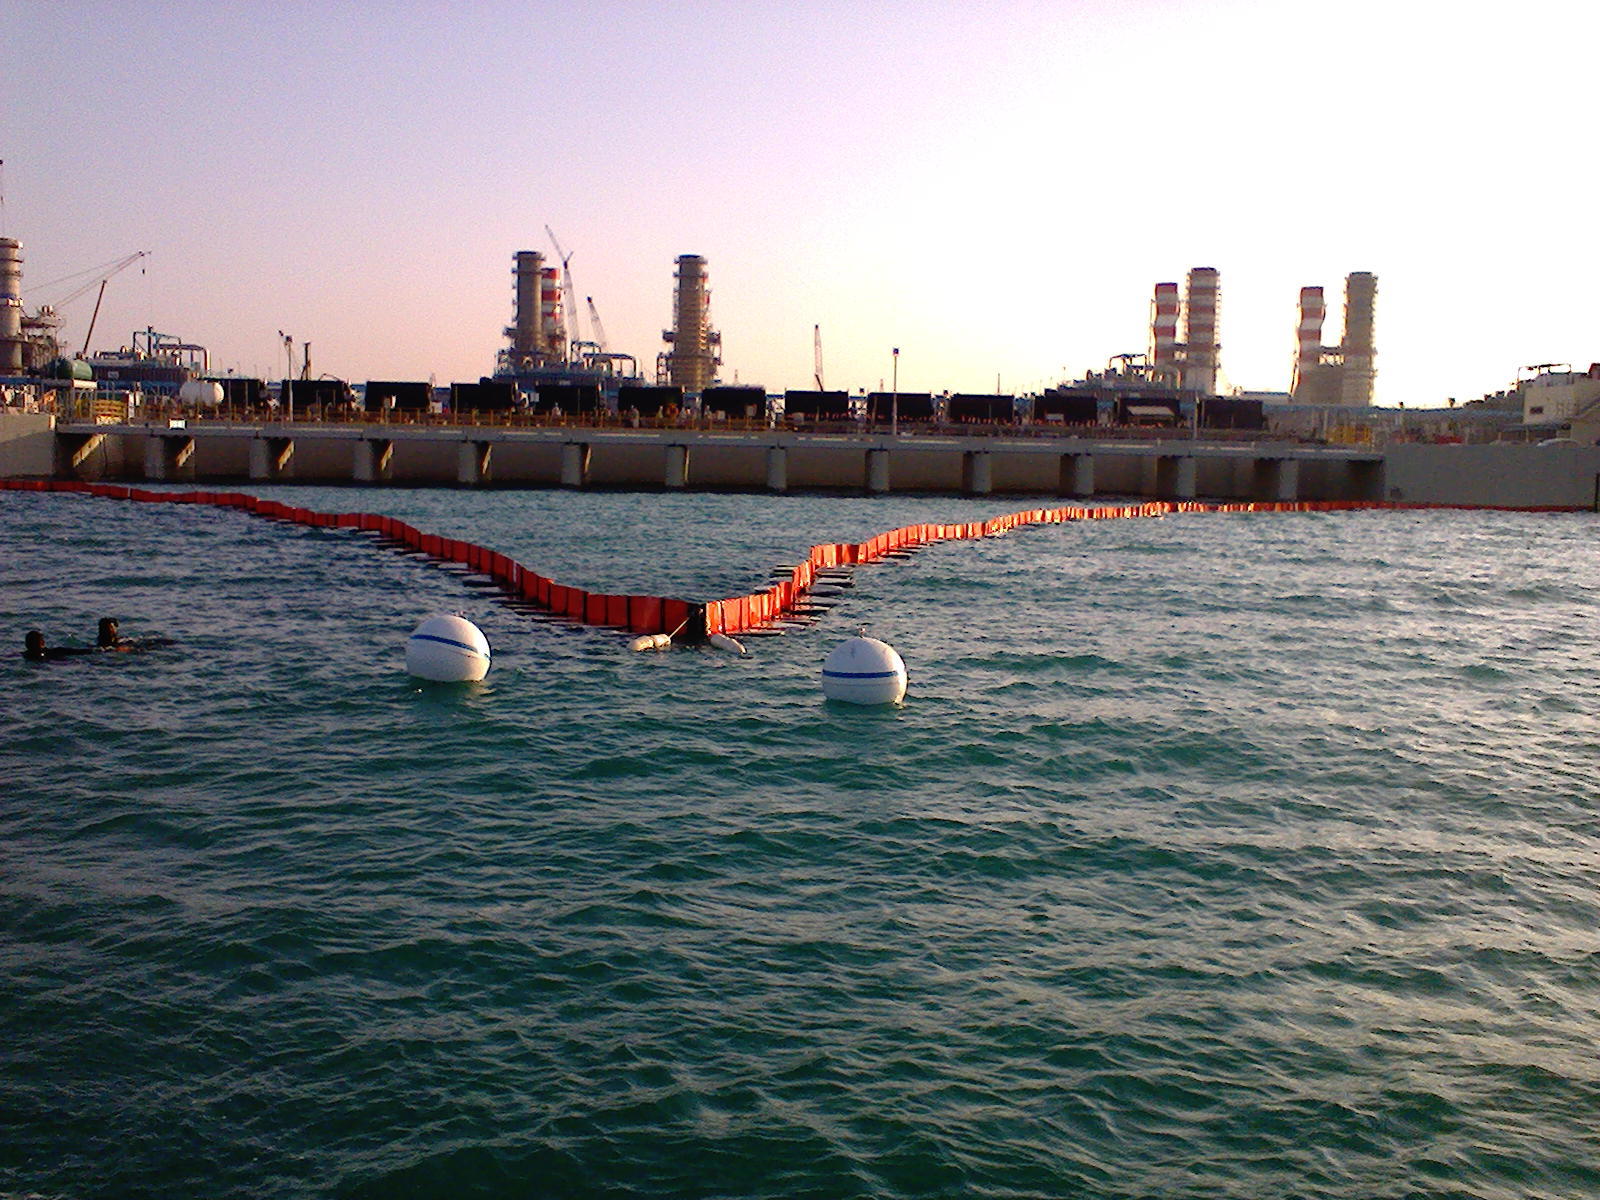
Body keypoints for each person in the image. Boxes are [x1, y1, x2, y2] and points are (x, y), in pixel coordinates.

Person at [23, 630, 94, 662]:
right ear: (42, 643)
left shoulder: (24, 655)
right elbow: (76, 652)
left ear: (26, 644)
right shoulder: (52, 652)